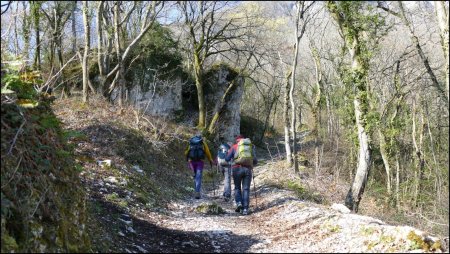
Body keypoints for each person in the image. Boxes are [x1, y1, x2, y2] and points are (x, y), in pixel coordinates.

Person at [225, 134, 257, 215]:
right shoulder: (250, 146)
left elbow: (227, 158)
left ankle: (239, 203)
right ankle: (245, 209)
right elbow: (255, 160)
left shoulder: (234, 146)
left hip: (236, 169)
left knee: (237, 188)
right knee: (246, 189)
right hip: (247, 170)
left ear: (237, 140)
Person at [185, 134, 215, 199]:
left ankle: (195, 190)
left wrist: (188, 158)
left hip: (191, 161)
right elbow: (207, 152)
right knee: (198, 177)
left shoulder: (191, 142)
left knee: (195, 176)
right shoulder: (202, 143)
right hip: (200, 162)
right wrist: (210, 159)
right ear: (200, 138)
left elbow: (186, 152)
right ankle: (197, 192)